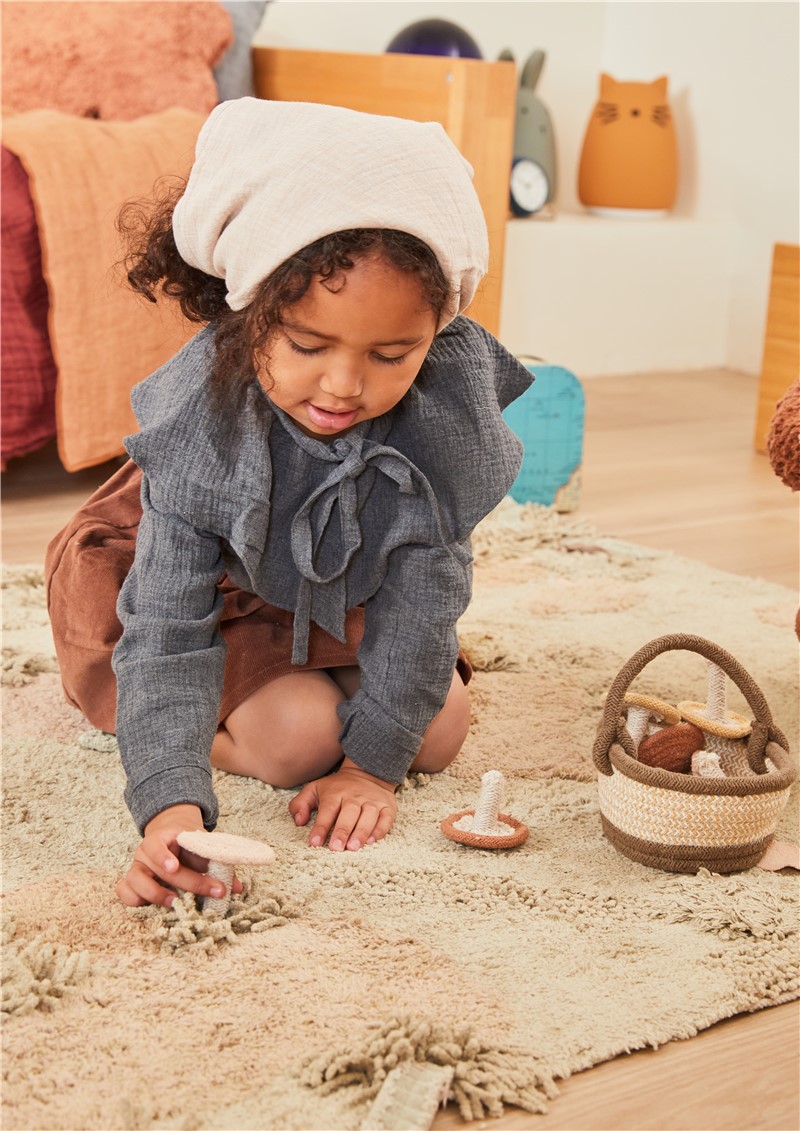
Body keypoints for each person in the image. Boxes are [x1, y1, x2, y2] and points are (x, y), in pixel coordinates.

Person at [45, 98, 533, 910]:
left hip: (332, 580)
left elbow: (422, 610)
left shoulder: (444, 419)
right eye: (307, 344)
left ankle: (335, 709)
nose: (343, 385)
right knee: (298, 738)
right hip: (208, 584)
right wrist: (171, 807)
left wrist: (371, 769)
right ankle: (189, 731)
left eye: (392, 353)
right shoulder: (204, 430)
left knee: (438, 728)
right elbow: (169, 629)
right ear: (249, 314)